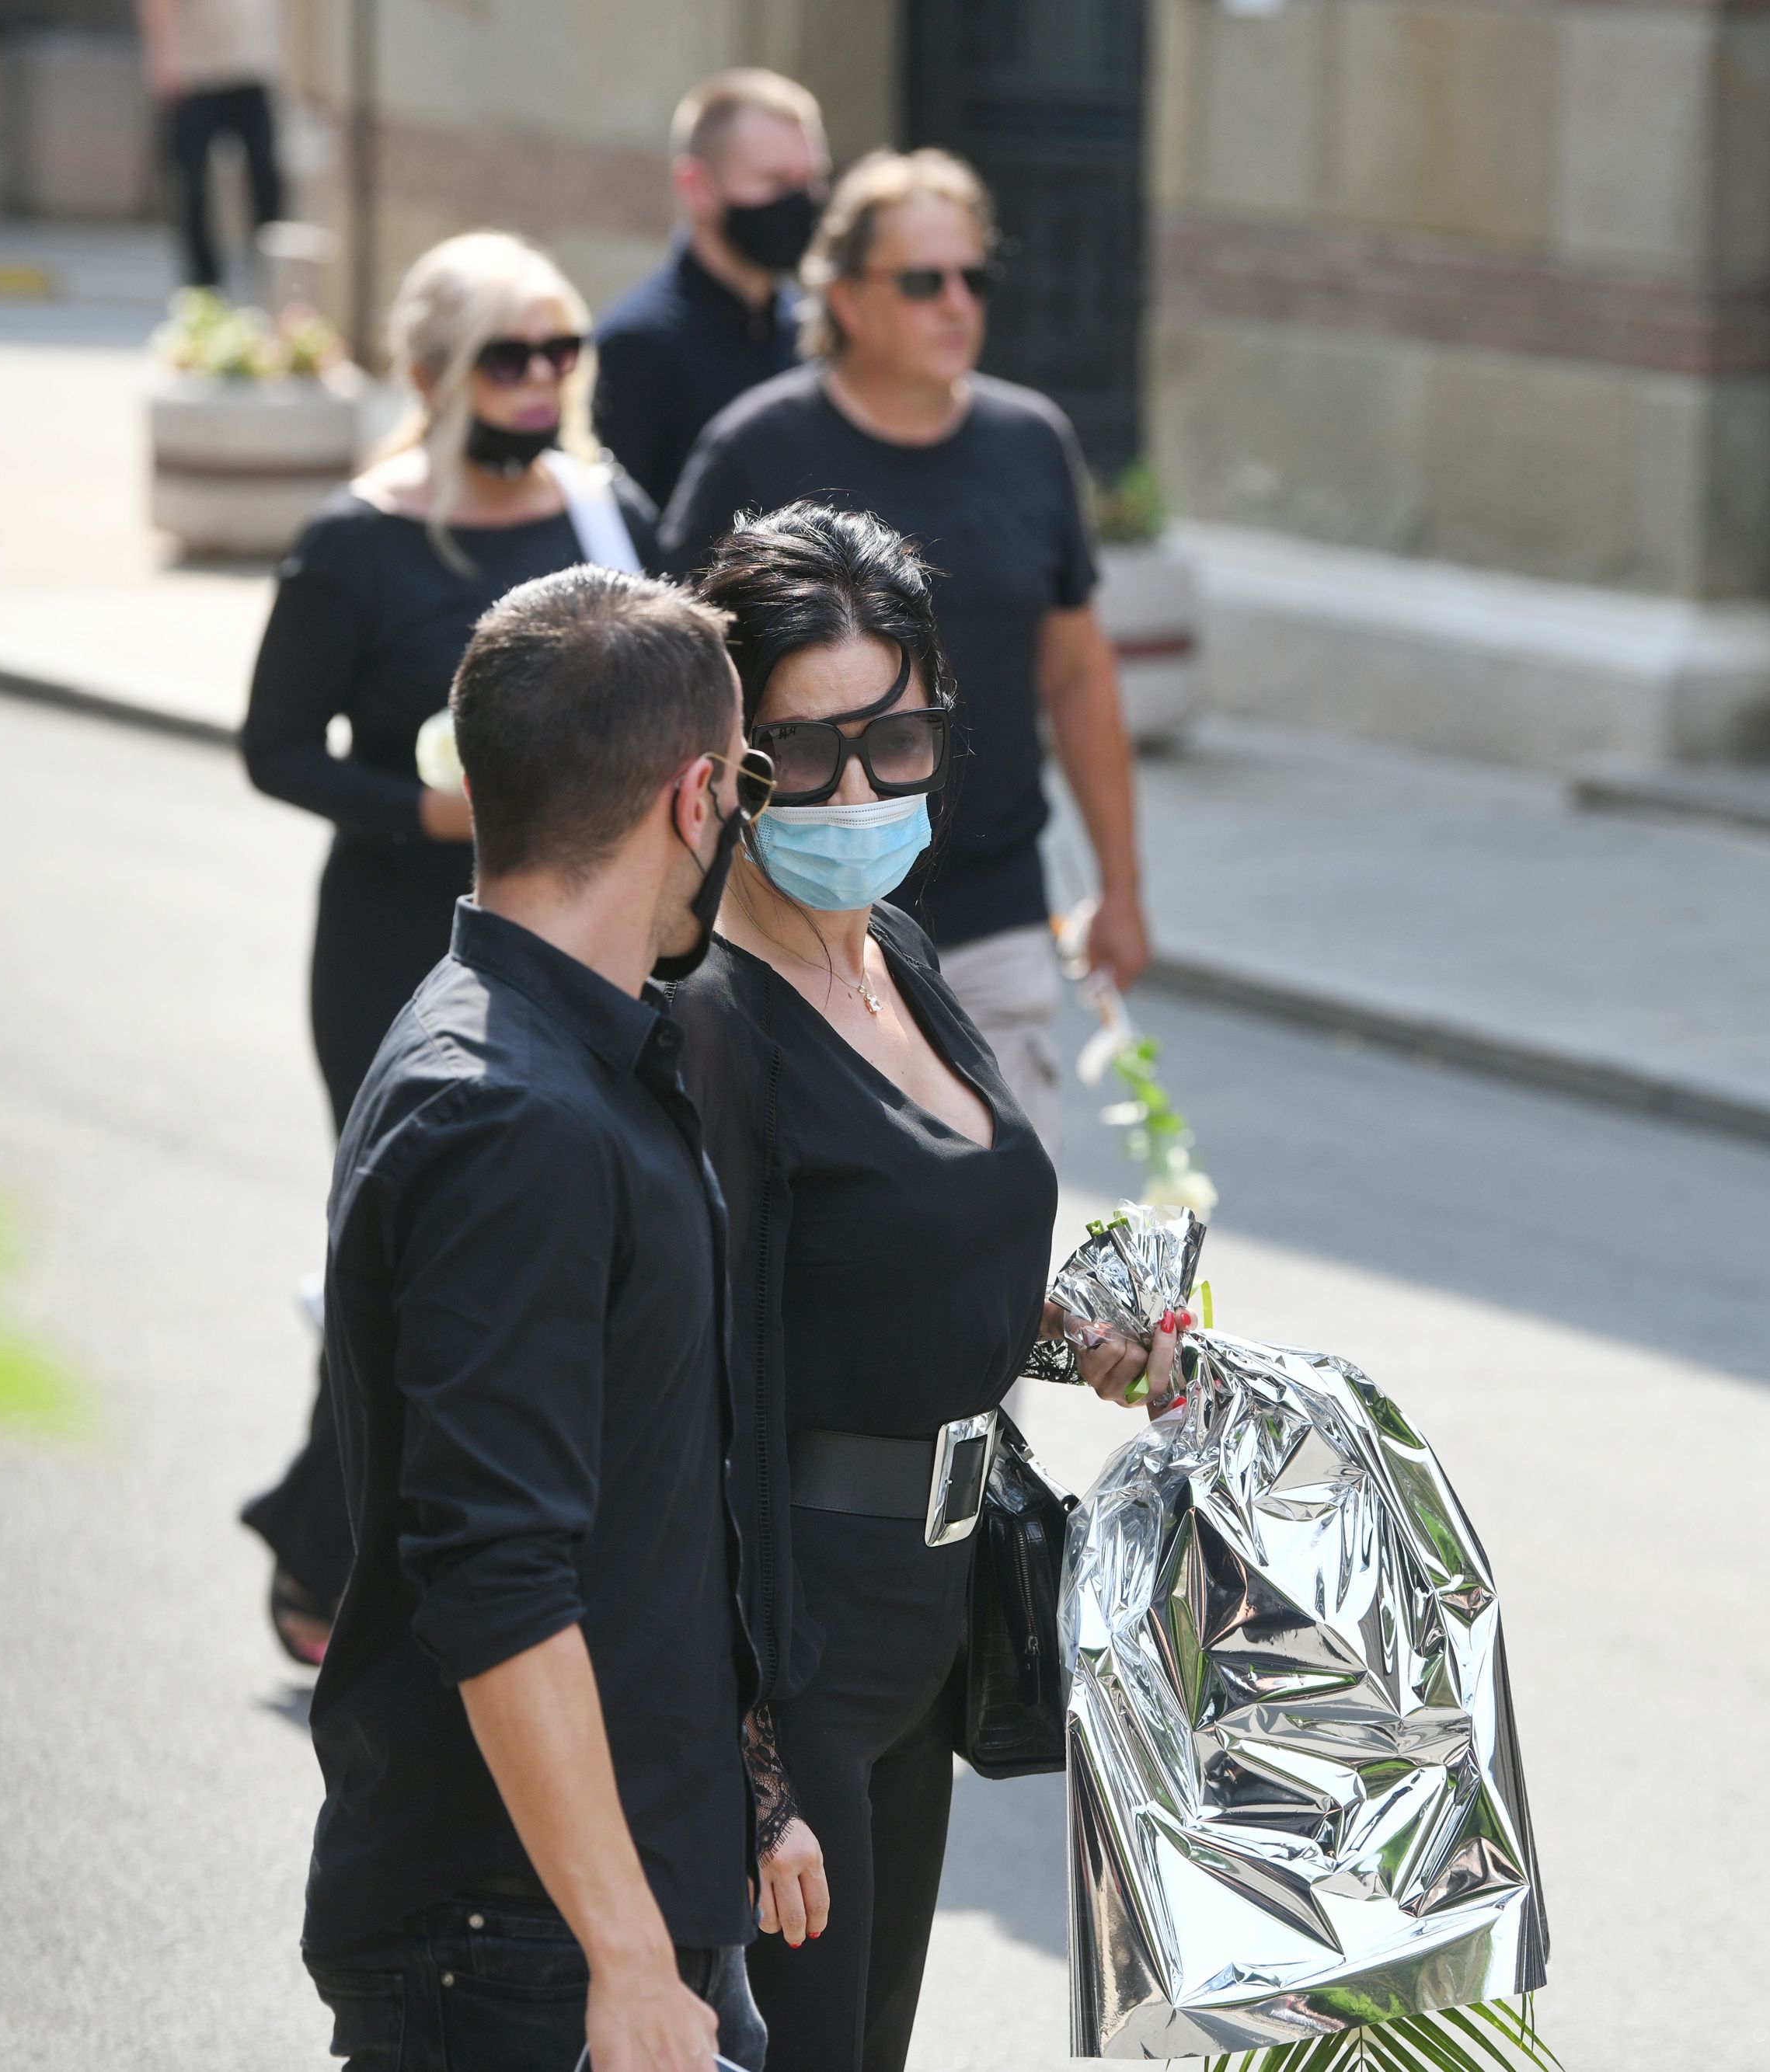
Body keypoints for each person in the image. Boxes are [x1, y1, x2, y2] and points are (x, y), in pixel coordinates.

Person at [671, 503, 1176, 2072]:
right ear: (723, 762)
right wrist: (755, 1768)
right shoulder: (708, 1018)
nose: (857, 791)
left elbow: (905, 1265)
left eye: (894, 742)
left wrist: (1079, 1339)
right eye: (805, 751)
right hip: (799, 1641)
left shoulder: (891, 943)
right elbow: (690, 1401)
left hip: (930, 1614)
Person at [299, 563, 774, 2072]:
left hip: (595, 1915)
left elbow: (645, 1505)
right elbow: (497, 1573)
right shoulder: (512, 1113)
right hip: (525, 1947)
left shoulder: (564, 1056)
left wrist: (744, 1812)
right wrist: (627, 1958)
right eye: (752, 782)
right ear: (696, 798)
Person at [236, 231, 658, 1665]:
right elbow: (274, 747)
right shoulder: (357, 540)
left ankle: (416, 1554)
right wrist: (424, 808)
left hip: (577, 944)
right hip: (393, 946)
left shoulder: (605, 514)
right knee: (417, 1247)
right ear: (430, 372)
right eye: (507, 355)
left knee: (535, 1255)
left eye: (560, 350)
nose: (541, 380)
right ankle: (333, 1553)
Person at [661, 149, 1153, 1146]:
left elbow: (1077, 673)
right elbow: (676, 687)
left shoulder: (1032, 441)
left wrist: (1121, 886)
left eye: (976, 276)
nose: (958, 303)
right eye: (925, 281)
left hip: (991, 905)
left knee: (999, 1190)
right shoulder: (755, 447)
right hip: (788, 907)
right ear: (844, 295)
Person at [592, 70, 828, 509]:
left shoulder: (812, 335)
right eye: (777, 182)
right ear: (696, 186)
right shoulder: (636, 347)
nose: (801, 203)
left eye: (810, 180)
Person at [138, 0, 284, 292]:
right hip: (196, 73)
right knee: (190, 180)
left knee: (265, 175)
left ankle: (271, 270)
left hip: (253, 67)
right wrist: (163, 59)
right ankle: (202, 279)